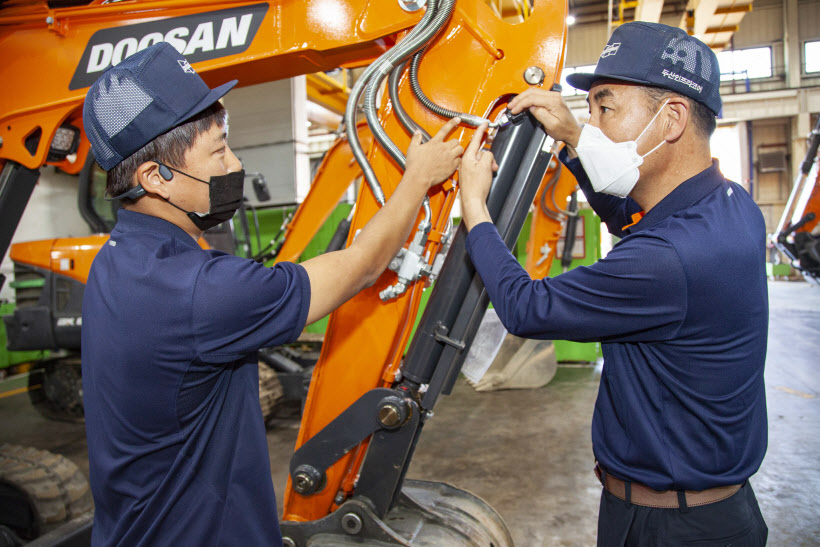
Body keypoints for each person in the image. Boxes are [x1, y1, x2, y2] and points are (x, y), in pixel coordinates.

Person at [80, 42, 463, 546]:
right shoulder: (197, 292)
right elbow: (363, 266)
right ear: (157, 178)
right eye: (217, 151)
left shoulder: (117, 259)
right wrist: (418, 179)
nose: (233, 163)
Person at [458, 22, 768, 546]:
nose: (594, 124)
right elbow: (634, 219)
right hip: (709, 513)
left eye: (606, 108)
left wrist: (474, 207)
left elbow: (526, 308)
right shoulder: (730, 204)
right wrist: (575, 140)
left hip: (670, 528)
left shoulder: (668, 260)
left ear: (671, 118)